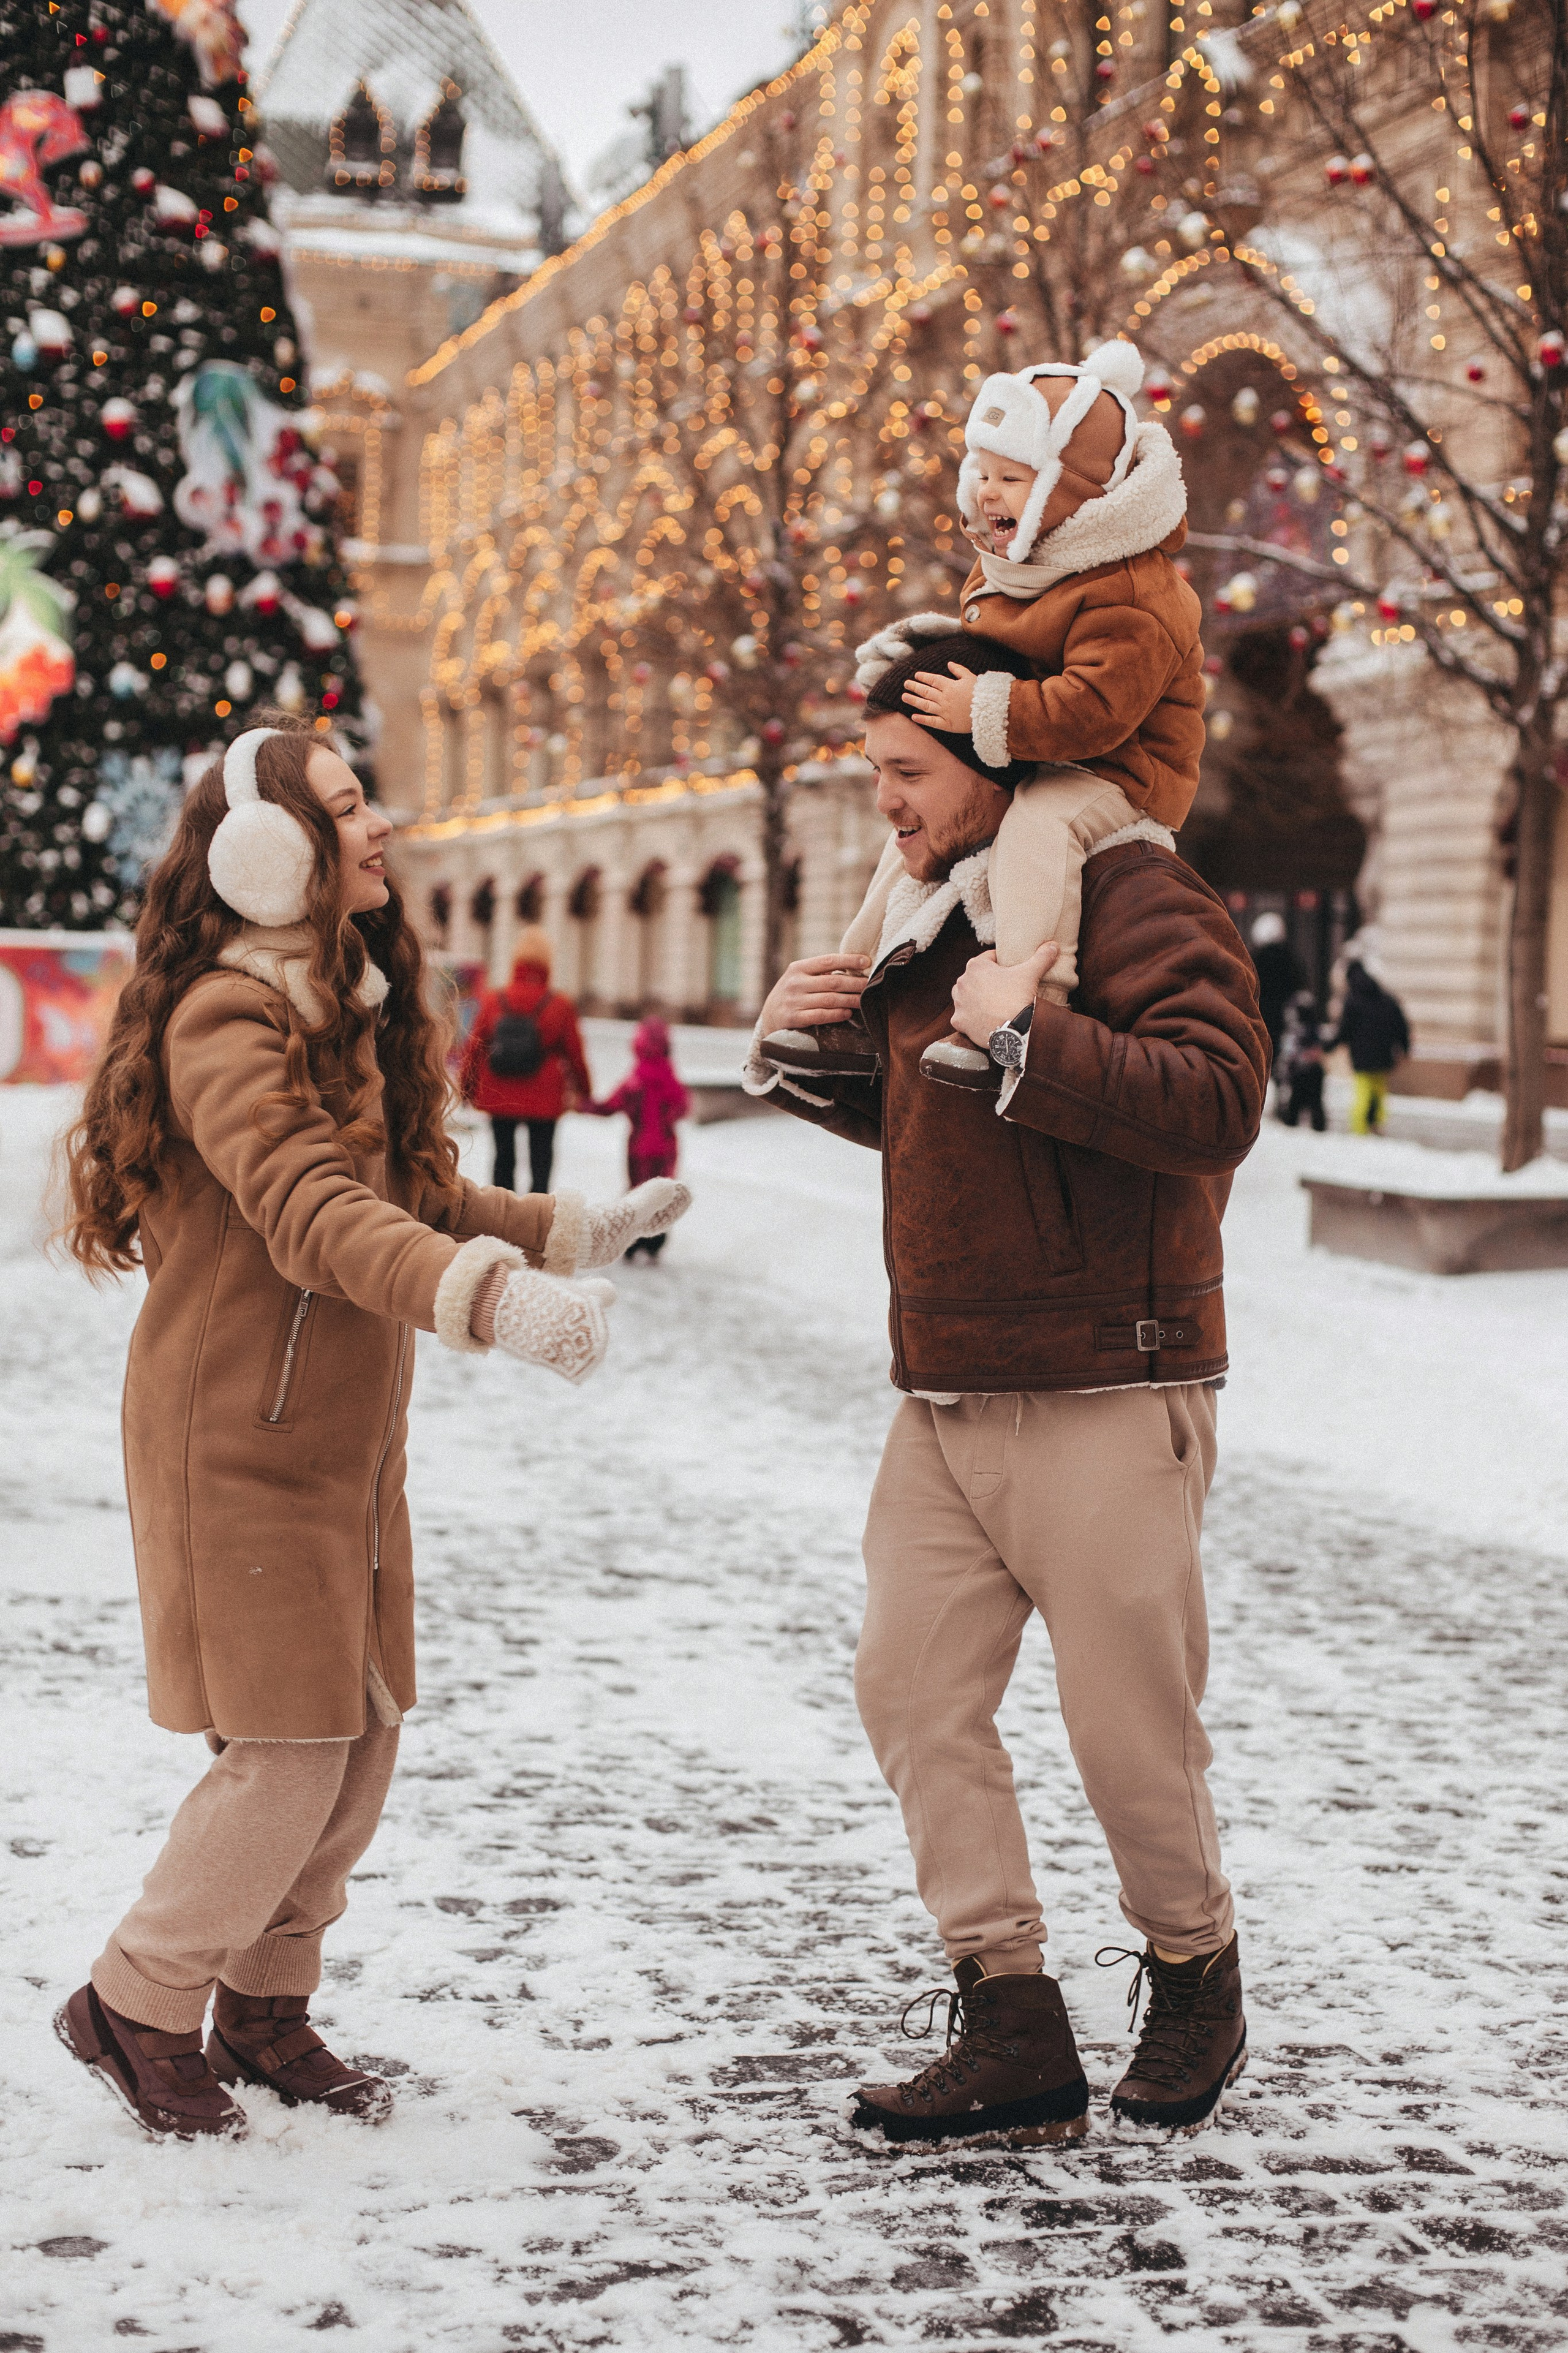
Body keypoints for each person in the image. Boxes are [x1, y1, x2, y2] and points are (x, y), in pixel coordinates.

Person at [54, 712, 689, 2142]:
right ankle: (135, 1998)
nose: (379, 826)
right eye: (348, 809)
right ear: (272, 855)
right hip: (235, 1436)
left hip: (336, 1438)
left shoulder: (332, 997)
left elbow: (407, 1182)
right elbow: (310, 1206)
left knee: (358, 1735)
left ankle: (266, 2006)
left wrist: (566, 1227)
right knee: (284, 1747)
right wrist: (491, 1303)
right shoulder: (226, 1015)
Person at [744, 638, 1270, 2147]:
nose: (886, 807)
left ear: (1000, 767)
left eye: (907, 775)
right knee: (907, 1691)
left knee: (1127, 1729)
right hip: (949, 1382)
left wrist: (1029, 1028)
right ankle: (1011, 2016)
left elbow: (1219, 1091)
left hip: (1107, 1367)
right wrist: (808, 1057)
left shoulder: (1131, 889)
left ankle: (1190, 1965)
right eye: (874, 779)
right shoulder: (933, 920)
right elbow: (945, 1119)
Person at [758, 339, 1204, 1093]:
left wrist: (982, 705)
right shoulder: (1014, 557)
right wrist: (921, 661)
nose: (990, 494)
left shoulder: (1134, 589)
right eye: (983, 474)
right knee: (902, 851)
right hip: (1029, 750)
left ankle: (1026, 1001)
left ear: (1076, 489)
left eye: (1013, 478)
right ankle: (847, 1005)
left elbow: (1095, 710)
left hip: (1118, 771)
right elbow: (996, 649)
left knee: (1037, 830)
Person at [459, 926, 591, 1196]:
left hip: (500, 1091)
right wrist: (584, 1091)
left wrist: (466, 1087)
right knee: (541, 1163)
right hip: (545, 1094)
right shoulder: (559, 1004)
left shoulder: (494, 1000)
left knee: (502, 1159)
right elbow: (575, 1053)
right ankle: (537, 1220)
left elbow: (474, 1048)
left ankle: (503, 1217)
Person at [583, 1017, 691, 1261]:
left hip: (639, 1144)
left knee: (636, 1194)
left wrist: (582, 1105)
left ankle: (632, 1241)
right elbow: (682, 1107)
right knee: (662, 1194)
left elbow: (609, 1107)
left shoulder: (636, 1079)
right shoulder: (670, 1076)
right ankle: (656, 1241)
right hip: (666, 1145)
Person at [1332, 957, 1410, 1135]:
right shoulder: (1384, 997)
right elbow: (1400, 1023)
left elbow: (1345, 1029)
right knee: (1379, 1092)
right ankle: (1377, 1126)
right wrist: (1404, 1047)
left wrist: (1330, 1046)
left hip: (1362, 1056)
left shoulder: (1352, 1000)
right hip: (1383, 1055)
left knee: (1363, 1092)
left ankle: (1359, 1131)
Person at [1248, 912, 1310, 1068]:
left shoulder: (1254, 961)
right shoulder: (1290, 960)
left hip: (1261, 1018)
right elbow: (1300, 986)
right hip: (1285, 1020)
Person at [1276, 989, 1329, 1132]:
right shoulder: (1297, 1029)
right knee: (1298, 1104)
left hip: (1305, 1071)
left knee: (1309, 1105)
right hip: (1302, 1071)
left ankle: (1310, 1127)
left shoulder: (1302, 1029)